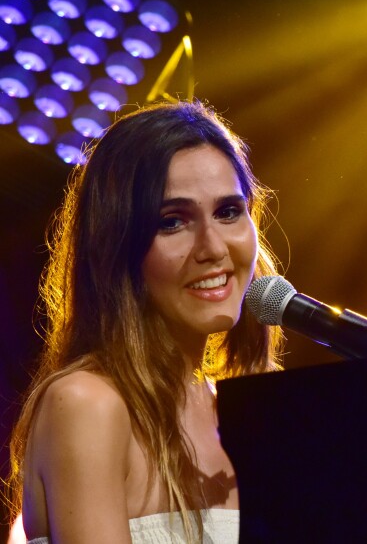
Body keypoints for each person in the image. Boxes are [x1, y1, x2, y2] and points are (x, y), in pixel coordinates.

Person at [7, 100, 283, 543]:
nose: (212, 247)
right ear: (117, 246)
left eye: (229, 212)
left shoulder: (240, 411)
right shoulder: (87, 403)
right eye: (172, 221)